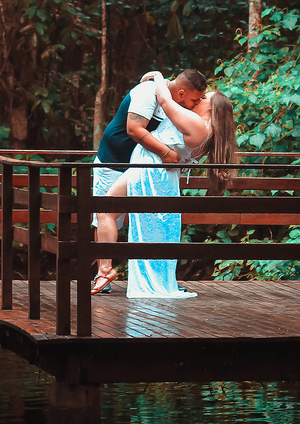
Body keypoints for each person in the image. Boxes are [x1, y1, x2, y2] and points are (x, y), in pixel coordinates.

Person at [93, 71, 238, 297]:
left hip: (150, 171)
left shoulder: (198, 125)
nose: (197, 101)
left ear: (211, 109)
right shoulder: (205, 129)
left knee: (105, 211)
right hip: (158, 174)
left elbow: (164, 100)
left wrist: (159, 77)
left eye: (202, 99)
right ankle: (146, 277)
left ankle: (105, 271)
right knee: (155, 230)